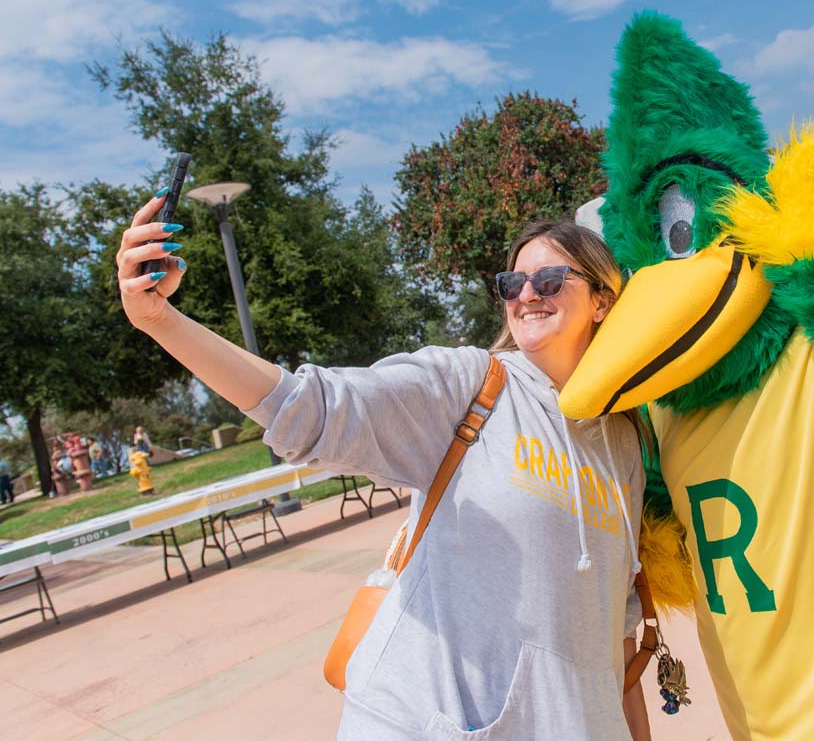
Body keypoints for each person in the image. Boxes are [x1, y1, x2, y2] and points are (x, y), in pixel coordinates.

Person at [116, 198, 652, 741]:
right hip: (428, 722)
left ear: (603, 299)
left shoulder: (624, 441)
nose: (528, 294)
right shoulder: (469, 385)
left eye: (552, 278)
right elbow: (311, 409)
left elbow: (618, 634)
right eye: (512, 283)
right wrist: (161, 321)